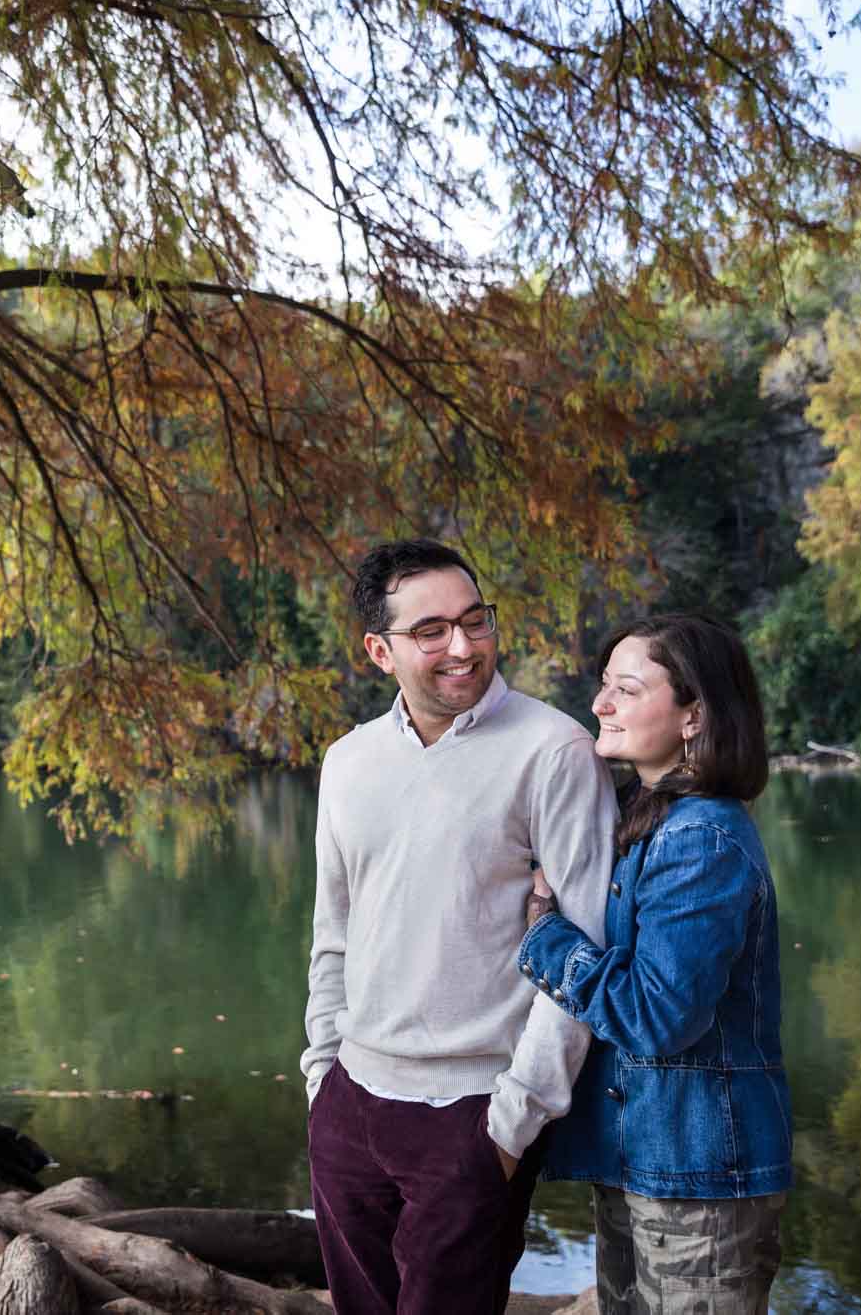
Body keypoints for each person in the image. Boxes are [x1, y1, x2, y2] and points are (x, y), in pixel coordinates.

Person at [301, 538, 617, 1315]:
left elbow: (587, 945)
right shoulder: (348, 761)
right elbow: (333, 932)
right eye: (432, 630)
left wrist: (512, 1124)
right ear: (379, 649)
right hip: (353, 1105)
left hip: (475, 1111)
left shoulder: (555, 750)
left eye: (475, 621)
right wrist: (322, 1079)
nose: (463, 647)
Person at [518, 613, 792, 1314]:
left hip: (699, 1180)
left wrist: (546, 936)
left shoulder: (702, 839)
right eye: (604, 686)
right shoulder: (650, 819)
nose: (600, 704)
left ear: (694, 714)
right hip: (644, 1161)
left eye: (627, 689)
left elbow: (655, 1014)